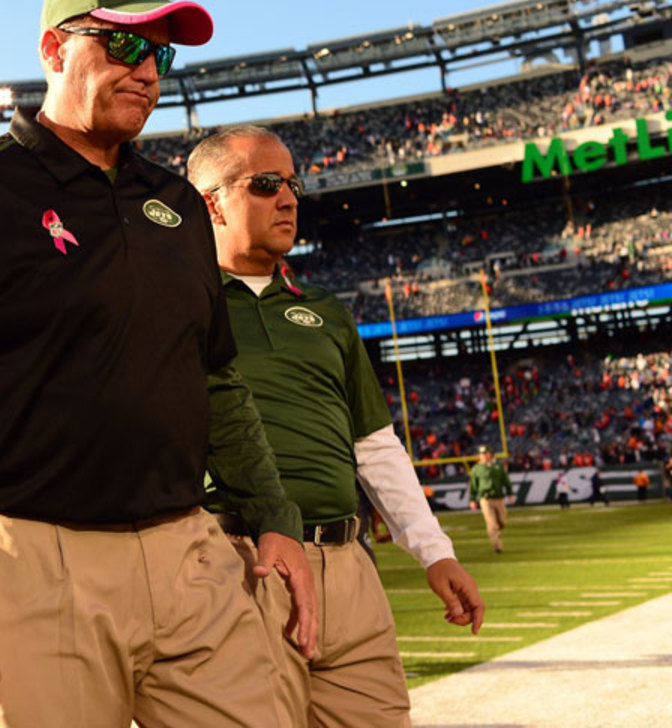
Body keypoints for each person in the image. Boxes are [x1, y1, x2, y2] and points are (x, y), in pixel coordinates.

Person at [0, 0, 315, 726]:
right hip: (34, 559)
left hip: (189, 553)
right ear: (53, 49)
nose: (147, 70)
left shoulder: (176, 203)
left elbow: (216, 382)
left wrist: (273, 514)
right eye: (124, 45)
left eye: (160, 53)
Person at [187, 125, 484, 726]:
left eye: (293, 184)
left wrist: (434, 553)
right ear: (210, 202)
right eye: (265, 184)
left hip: (347, 565)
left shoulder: (325, 311)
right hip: (236, 564)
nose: (289, 198)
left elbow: (373, 446)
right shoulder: (176, 302)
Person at [468, 445, 514, 553]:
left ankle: (495, 535)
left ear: (490, 454)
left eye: (486, 453)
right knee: (492, 523)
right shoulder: (476, 469)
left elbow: (505, 480)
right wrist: (472, 499)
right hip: (485, 499)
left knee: (502, 522)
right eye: (482, 454)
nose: (484, 456)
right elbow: (473, 485)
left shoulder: (498, 466)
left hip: (499, 497)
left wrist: (510, 493)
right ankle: (497, 546)